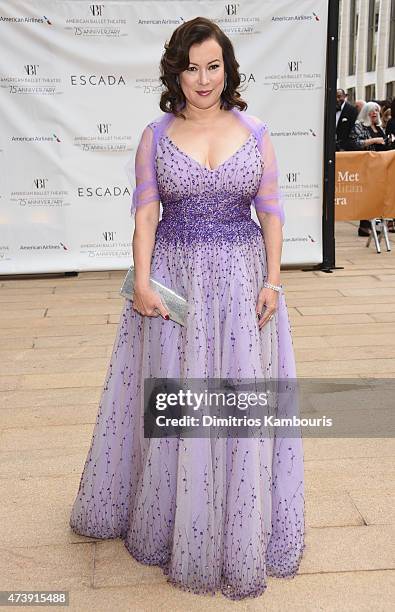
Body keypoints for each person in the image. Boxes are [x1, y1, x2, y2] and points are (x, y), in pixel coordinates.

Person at [69, 17, 305, 600]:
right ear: (176, 72)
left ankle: (236, 526)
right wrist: (142, 281)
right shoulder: (155, 134)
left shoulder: (256, 131)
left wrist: (273, 283)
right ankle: (175, 521)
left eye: (214, 66)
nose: (204, 79)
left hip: (241, 280)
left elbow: (271, 212)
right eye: (192, 67)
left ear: (229, 69)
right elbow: (145, 214)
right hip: (174, 283)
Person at [348, 101, 388, 236]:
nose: (375, 113)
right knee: (367, 196)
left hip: (380, 166)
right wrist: (373, 141)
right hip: (367, 166)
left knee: (378, 196)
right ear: (366, 112)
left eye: (377, 110)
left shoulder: (380, 128)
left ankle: (376, 224)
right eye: (372, 110)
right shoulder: (359, 126)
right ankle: (364, 227)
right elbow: (354, 144)